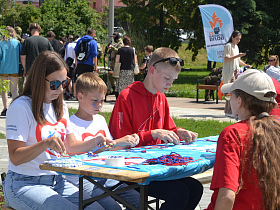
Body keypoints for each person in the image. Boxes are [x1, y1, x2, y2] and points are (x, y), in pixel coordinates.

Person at [3, 51, 108, 210]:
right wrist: (45, 143)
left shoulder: (60, 106)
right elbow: (16, 157)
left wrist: (96, 141)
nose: (60, 89)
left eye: (64, 83)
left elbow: (70, 146)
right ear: (39, 80)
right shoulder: (20, 106)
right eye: (55, 84)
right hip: (24, 183)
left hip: (57, 180)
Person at [109, 47, 203, 210]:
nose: (170, 83)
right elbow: (118, 143)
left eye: (173, 79)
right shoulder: (127, 96)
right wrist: (151, 134)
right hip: (133, 171)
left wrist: (179, 132)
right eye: (167, 78)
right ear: (151, 71)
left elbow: (169, 129)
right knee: (179, 193)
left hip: (156, 169)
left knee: (195, 188)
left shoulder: (161, 97)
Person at [206, 69, 280, 209]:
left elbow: (227, 196)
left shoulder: (233, 134)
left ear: (239, 100)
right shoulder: (277, 130)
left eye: (231, 95)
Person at [65, 72, 140, 209]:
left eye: (102, 101)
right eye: (95, 101)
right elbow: (74, 151)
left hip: (107, 176)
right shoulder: (70, 124)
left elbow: (110, 148)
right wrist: (117, 141)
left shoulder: (100, 120)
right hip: (84, 180)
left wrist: (127, 143)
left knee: (140, 203)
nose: (99, 105)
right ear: (80, 97)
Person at [222, 30, 251, 117]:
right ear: (232, 37)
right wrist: (238, 56)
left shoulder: (236, 47)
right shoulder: (228, 46)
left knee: (234, 91)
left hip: (236, 71)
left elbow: (237, 60)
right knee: (230, 91)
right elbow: (226, 58)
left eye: (239, 39)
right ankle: (228, 111)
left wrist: (246, 65)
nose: (238, 40)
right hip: (229, 71)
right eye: (237, 39)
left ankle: (232, 110)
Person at [0, 26, 21, 116]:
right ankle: (15, 109)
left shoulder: (0, 43)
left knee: (4, 90)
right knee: (14, 90)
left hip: (3, 68)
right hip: (14, 68)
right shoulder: (17, 43)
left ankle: (5, 108)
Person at [64, 36, 79, 100]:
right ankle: (73, 94)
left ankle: (66, 93)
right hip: (74, 63)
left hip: (68, 62)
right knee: (73, 80)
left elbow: (66, 55)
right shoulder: (76, 45)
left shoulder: (68, 45)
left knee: (67, 79)